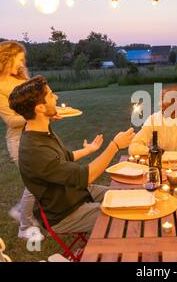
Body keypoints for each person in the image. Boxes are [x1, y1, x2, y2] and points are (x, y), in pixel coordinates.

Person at [9, 75, 135, 233]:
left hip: (77, 192)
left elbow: (64, 158)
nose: (56, 97)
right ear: (39, 108)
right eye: (50, 95)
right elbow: (87, 176)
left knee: (129, 197)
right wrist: (115, 145)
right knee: (124, 215)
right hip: (66, 213)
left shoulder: (38, 130)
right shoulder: (35, 151)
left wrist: (87, 150)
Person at [0, 41, 46, 240]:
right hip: (19, 141)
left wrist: (49, 105)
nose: (22, 63)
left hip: (38, 135)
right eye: (19, 59)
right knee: (36, 181)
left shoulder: (20, 79)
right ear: (5, 58)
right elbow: (11, 120)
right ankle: (24, 224)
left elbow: (38, 103)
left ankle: (27, 212)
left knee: (45, 179)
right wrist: (42, 114)